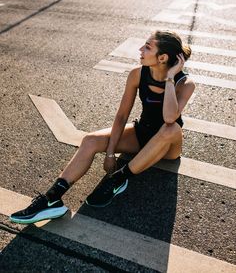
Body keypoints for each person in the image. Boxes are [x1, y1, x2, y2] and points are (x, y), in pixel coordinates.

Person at [10, 30, 195, 224]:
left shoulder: (185, 83)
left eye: (147, 47)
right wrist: (109, 152)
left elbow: (169, 117)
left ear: (163, 57)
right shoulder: (137, 74)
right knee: (90, 140)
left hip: (168, 146)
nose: (140, 49)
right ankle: (51, 200)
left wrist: (170, 78)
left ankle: (118, 179)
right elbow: (122, 114)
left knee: (170, 128)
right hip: (142, 133)